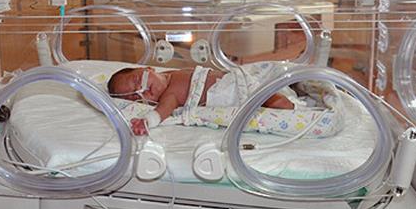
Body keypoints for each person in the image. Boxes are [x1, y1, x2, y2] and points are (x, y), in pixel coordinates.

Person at [108, 66, 294, 135]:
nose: (141, 89)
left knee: (276, 83)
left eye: (136, 80)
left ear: (149, 69)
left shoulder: (169, 74)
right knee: (278, 103)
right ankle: (295, 108)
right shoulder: (170, 95)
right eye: (135, 95)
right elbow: (163, 110)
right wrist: (148, 121)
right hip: (233, 94)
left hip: (237, 80)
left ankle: (294, 92)